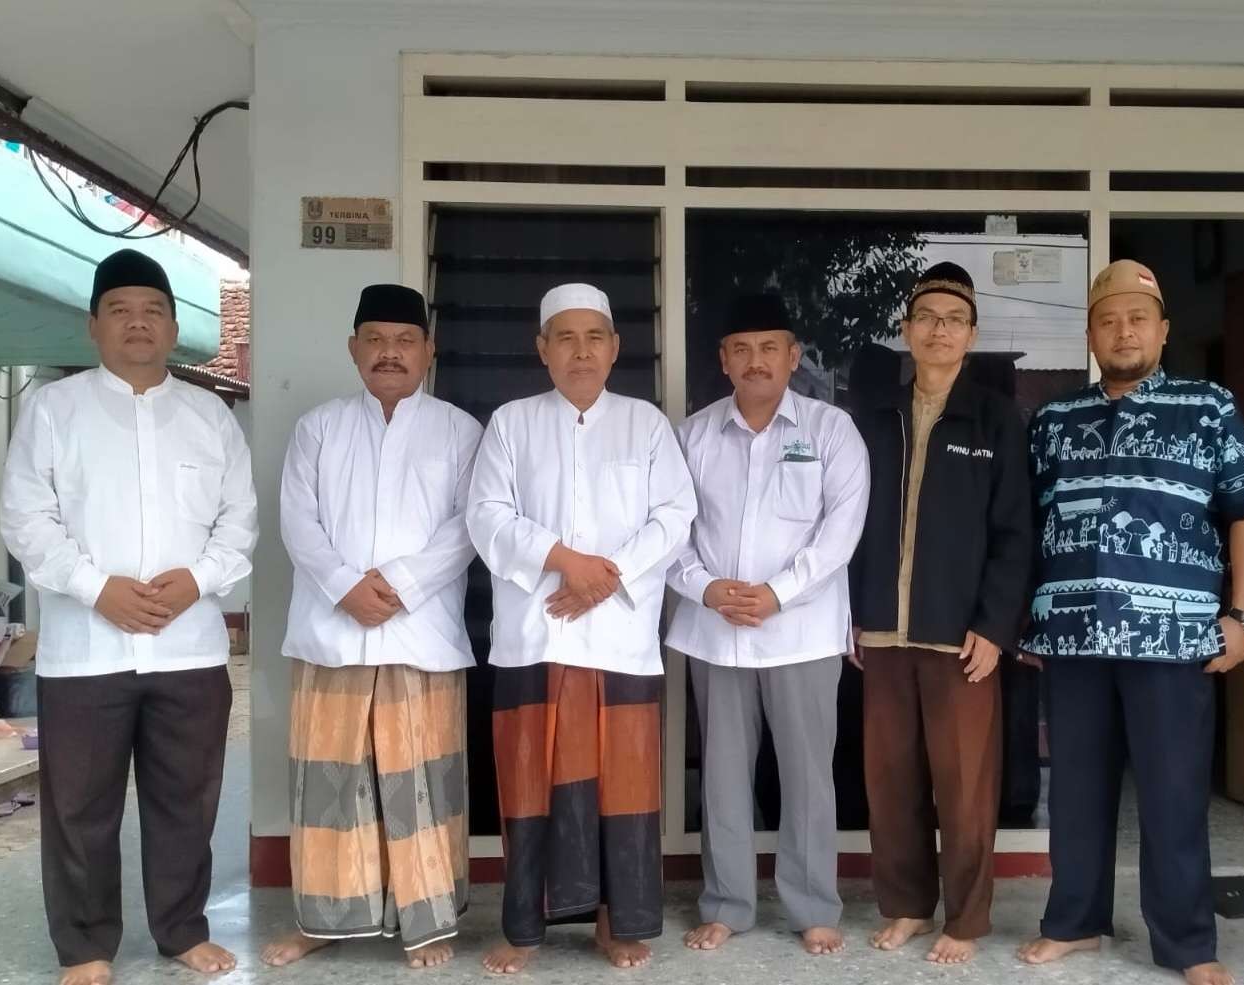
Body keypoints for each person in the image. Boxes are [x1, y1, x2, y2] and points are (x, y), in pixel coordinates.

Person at [1015, 260, 1244, 985]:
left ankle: (1189, 943)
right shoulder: (1054, 421)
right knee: (1075, 787)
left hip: (1174, 636)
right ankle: (1075, 921)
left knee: (1172, 791)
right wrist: (1027, 617)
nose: (1123, 329)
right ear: (1091, 332)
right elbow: (1024, 526)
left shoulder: (1207, 406)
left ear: (1163, 329)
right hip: (1070, 635)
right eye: (1108, 318)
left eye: (1137, 317)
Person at [1, 248, 258, 985]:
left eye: (152, 311)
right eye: (120, 311)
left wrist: (199, 580)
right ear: (93, 326)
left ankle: (181, 929)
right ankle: (84, 946)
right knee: (80, 809)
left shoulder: (210, 416)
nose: (137, 324)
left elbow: (239, 521)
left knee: (187, 801)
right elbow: (26, 517)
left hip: (190, 648)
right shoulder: (54, 410)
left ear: (175, 327)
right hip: (86, 649)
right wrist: (94, 586)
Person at [467, 283, 697, 974]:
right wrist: (565, 561)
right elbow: (486, 514)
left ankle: (618, 922)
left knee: (624, 792)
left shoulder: (646, 425)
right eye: (564, 338)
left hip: (619, 641)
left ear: (615, 348)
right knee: (528, 785)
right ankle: (523, 929)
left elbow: (674, 516)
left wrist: (608, 574)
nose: (581, 351)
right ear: (542, 349)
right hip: (536, 634)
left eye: (594, 337)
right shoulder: (510, 423)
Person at [261, 284, 483, 971]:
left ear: (429, 350)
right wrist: (344, 586)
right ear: (354, 348)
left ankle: (431, 919)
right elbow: (298, 520)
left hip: (422, 635)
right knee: (331, 787)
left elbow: (470, 524)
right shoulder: (319, 427)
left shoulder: (459, 429)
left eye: (405, 340)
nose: (390, 353)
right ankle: (325, 918)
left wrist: (401, 586)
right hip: (333, 634)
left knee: (423, 785)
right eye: (376, 339)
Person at [667, 292, 869, 956]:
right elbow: (667, 532)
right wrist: (705, 587)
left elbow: (841, 532)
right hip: (714, 631)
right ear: (724, 360)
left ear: (793, 356)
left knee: (809, 774)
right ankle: (727, 903)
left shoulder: (830, 430)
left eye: (769, 348)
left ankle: (813, 904)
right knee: (721, 775)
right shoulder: (691, 435)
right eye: (742, 349)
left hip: (801, 633)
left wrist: (777, 593)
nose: (756, 362)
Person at [848, 261, 1033, 965]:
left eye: (953, 320)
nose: (939, 330)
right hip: (882, 631)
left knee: (964, 787)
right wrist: (850, 609)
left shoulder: (995, 418)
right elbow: (848, 521)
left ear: (972, 332)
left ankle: (965, 918)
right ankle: (905, 906)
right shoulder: (876, 416)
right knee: (889, 782)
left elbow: (1016, 532)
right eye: (926, 317)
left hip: (961, 638)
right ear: (906, 329)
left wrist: (994, 626)